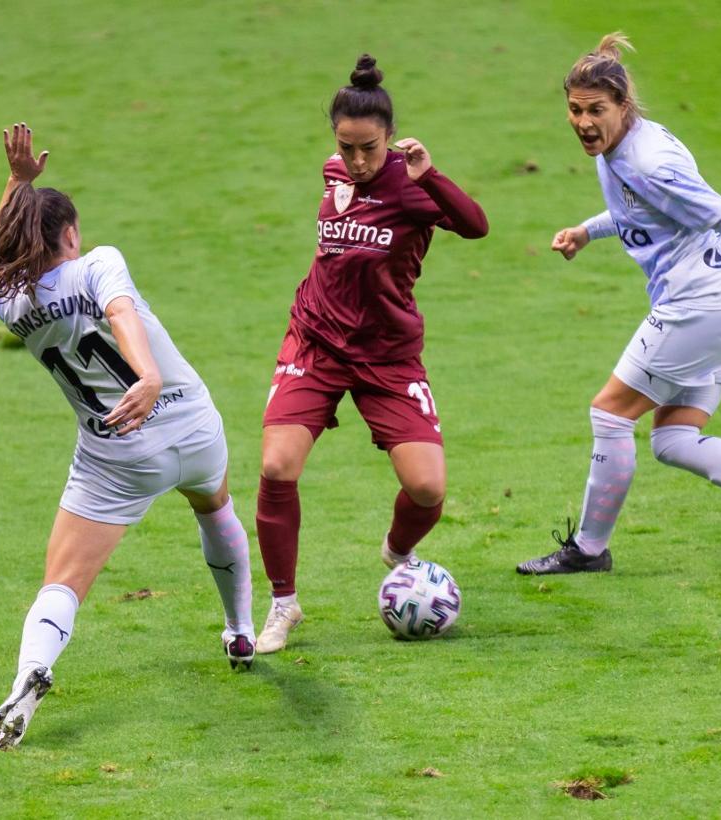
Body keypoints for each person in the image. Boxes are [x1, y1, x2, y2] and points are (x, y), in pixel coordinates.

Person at [0, 124, 256, 750]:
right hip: (191, 423)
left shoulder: (13, 303)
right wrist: (147, 375)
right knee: (215, 507)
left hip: (117, 456)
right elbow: (120, 312)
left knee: (62, 583)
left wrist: (16, 183)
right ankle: (240, 628)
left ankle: (29, 674)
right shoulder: (99, 263)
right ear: (69, 234)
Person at [516, 35, 721, 576]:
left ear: (622, 106)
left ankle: (589, 550)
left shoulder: (652, 162)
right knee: (672, 438)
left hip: (696, 308)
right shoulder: (621, 148)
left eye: (596, 110)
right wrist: (587, 232)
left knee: (609, 413)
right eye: (575, 109)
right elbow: (637, 212)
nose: (583, 122)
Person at [255, 55, 488, 653]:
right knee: (278, 466)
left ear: (391, 137)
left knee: (429, 491)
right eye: (348, 147)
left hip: (388, 356)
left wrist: (430, 175)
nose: (357, 161)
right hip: (315, 340)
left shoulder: (412, 186)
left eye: (370, 149)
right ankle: (283, 606)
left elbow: (476, 225)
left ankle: (398, 554)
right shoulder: (333, 171)